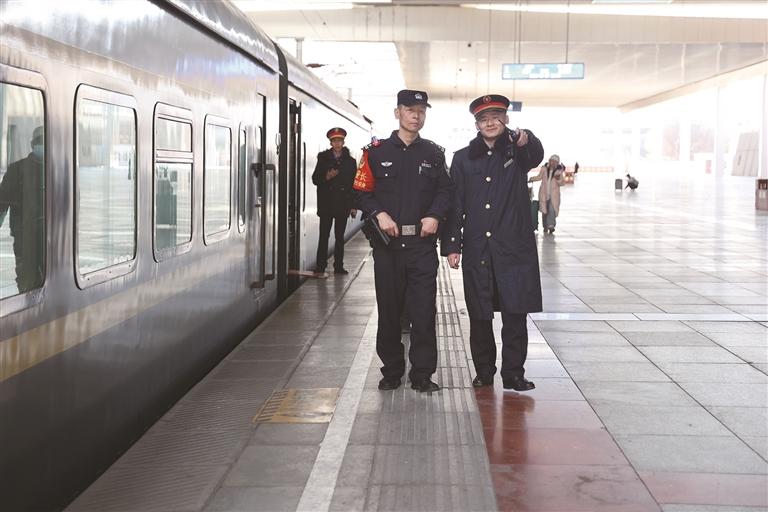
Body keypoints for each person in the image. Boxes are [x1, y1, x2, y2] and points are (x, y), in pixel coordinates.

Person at [441, 94, 544, 392]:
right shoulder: (462, 158)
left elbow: (535, 154)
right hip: (478, 248)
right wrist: (452, 245)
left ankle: (513, 374)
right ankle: (484, 372)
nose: (490, 123)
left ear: (506, 120)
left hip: (514, 249)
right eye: (483, 119)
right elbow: (455, 204)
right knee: (480, 314)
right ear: (476, 124)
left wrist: (526, 138)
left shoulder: (518, 151)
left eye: (496, 117)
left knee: (515, 313)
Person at [353, 89, 453, 392]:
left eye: (421, 111)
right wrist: (378, 213)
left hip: (422, 247)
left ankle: (422, 374)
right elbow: (361, 191)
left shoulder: (434, 154)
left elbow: (446, 191)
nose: (416, 116)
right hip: (388, 248)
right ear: (398, 113)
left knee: (424, 312)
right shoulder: (375, 153)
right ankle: (391, 372)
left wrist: (435, 215)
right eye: (410, 110)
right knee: (389, 312)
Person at [0, 125, 45, 295]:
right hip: (25, 240)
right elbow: (1, 204)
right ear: (32, 144)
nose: (42, 145)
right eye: (40, 141)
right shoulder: (16, 170)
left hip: (47, 240)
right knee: (26, 282)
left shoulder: (58, 171)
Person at [311, 127, 357, 275]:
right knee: (324, 236)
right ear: (331, 143)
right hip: (326, 204)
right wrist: (327, 176)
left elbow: (354, 185)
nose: (337, 143)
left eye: (340, 141)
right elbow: (315, 179)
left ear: (343, 142)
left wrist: (354, 206)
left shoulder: (351, 162)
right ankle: (320, 266)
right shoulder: (323, 159)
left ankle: (338, 266)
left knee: (339, 237)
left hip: (343, 204)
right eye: (334, 141)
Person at [529, 154, 564, 234]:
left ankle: (551, 225)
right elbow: (539, 177)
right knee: (544, 212)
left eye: (555, 162)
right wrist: (532, 179)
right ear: (549, 161)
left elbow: (562, 183)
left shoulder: (559, 172)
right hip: (544, 194)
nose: (553, 163)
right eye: (552, 161)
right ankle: (545, 226)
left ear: (557, 163)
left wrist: (558, 179)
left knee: (552, 209)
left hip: (554, 196)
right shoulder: (544, 169)